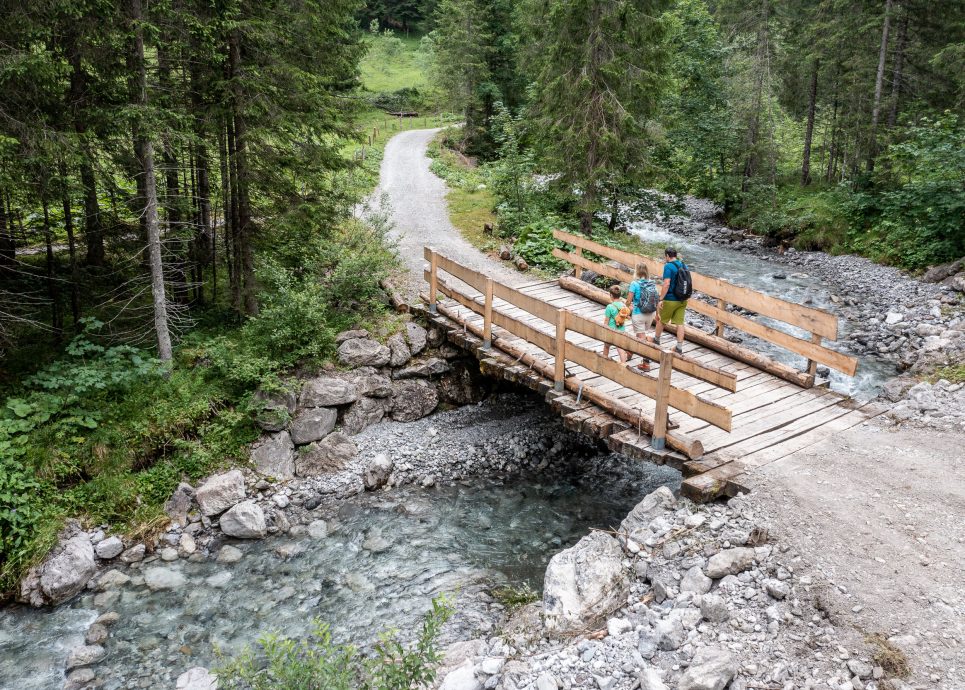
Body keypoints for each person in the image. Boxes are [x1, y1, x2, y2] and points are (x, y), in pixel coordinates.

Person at [653, 247, 689, 355]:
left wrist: (661, 298)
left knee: (661, 320)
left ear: (667, 256)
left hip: (670, 299)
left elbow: (666, 283)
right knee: (680, 323)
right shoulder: (683, 265)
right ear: (676, 255)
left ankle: (656, 340)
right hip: (683, 299)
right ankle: (679, 347)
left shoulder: (668, 266)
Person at [626, 263, 658, 372]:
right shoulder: (652, 283)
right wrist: (657, 315)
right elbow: (657, 300)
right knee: (641, 334)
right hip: (650, 314)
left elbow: (629, 301)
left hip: (638, 313)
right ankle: (630, 352)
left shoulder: (634, 284)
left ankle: (646, 362)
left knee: (642, 338)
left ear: (637, 272)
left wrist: (626, 307)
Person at [602, 284, 631, 363]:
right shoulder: (623, 305)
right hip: (621, 330)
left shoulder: (609, 307)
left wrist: (604, 329)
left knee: (606, 347)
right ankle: (623, 364)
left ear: (611, 295)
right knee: (621, 349)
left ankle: (604, 362)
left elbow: (606, 321)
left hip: (611, 330)